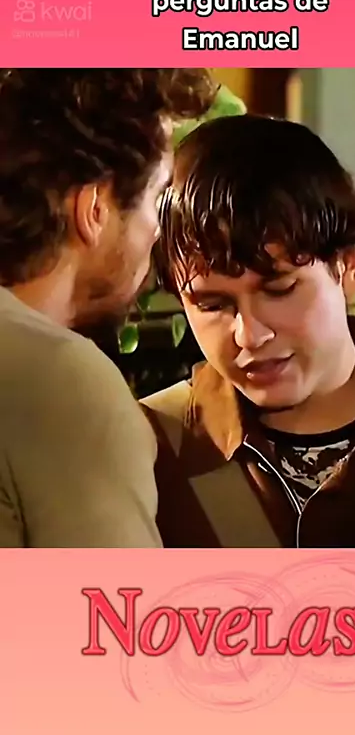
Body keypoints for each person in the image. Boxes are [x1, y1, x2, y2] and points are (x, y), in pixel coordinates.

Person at [143, 114, 355, 548]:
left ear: (349, 267)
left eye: (280, 290)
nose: (249, 336)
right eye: (212, 304)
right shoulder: (147, 447)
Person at [0, 68, 215, 547]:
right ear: (94, 210)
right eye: (157, 197)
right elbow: (113, 596)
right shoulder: (61, 380)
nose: (158, 230)